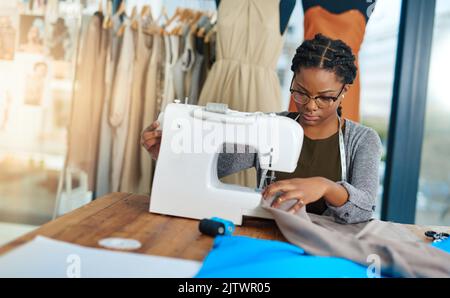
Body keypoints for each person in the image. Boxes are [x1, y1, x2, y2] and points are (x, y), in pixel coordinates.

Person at [141, 34, 382, 224]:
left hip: (330, 249)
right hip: (271, 236)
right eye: (300, 92)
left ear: (344, 92)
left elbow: (363, 208)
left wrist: (325, 186)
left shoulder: (362, 140)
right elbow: (217, 165)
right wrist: (169, 153)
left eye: (325, 98)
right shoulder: (271, 127)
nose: (310, 105)